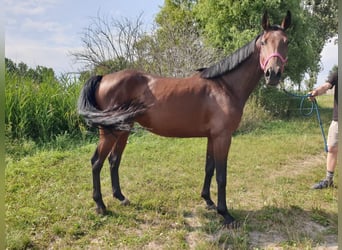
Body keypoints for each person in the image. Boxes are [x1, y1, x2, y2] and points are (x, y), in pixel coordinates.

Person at [309, 67, 338, 189]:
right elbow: (326, 86)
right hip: (338, 118)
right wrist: (316, 92)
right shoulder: (338, 73)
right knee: (331, 148)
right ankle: (328, 180)